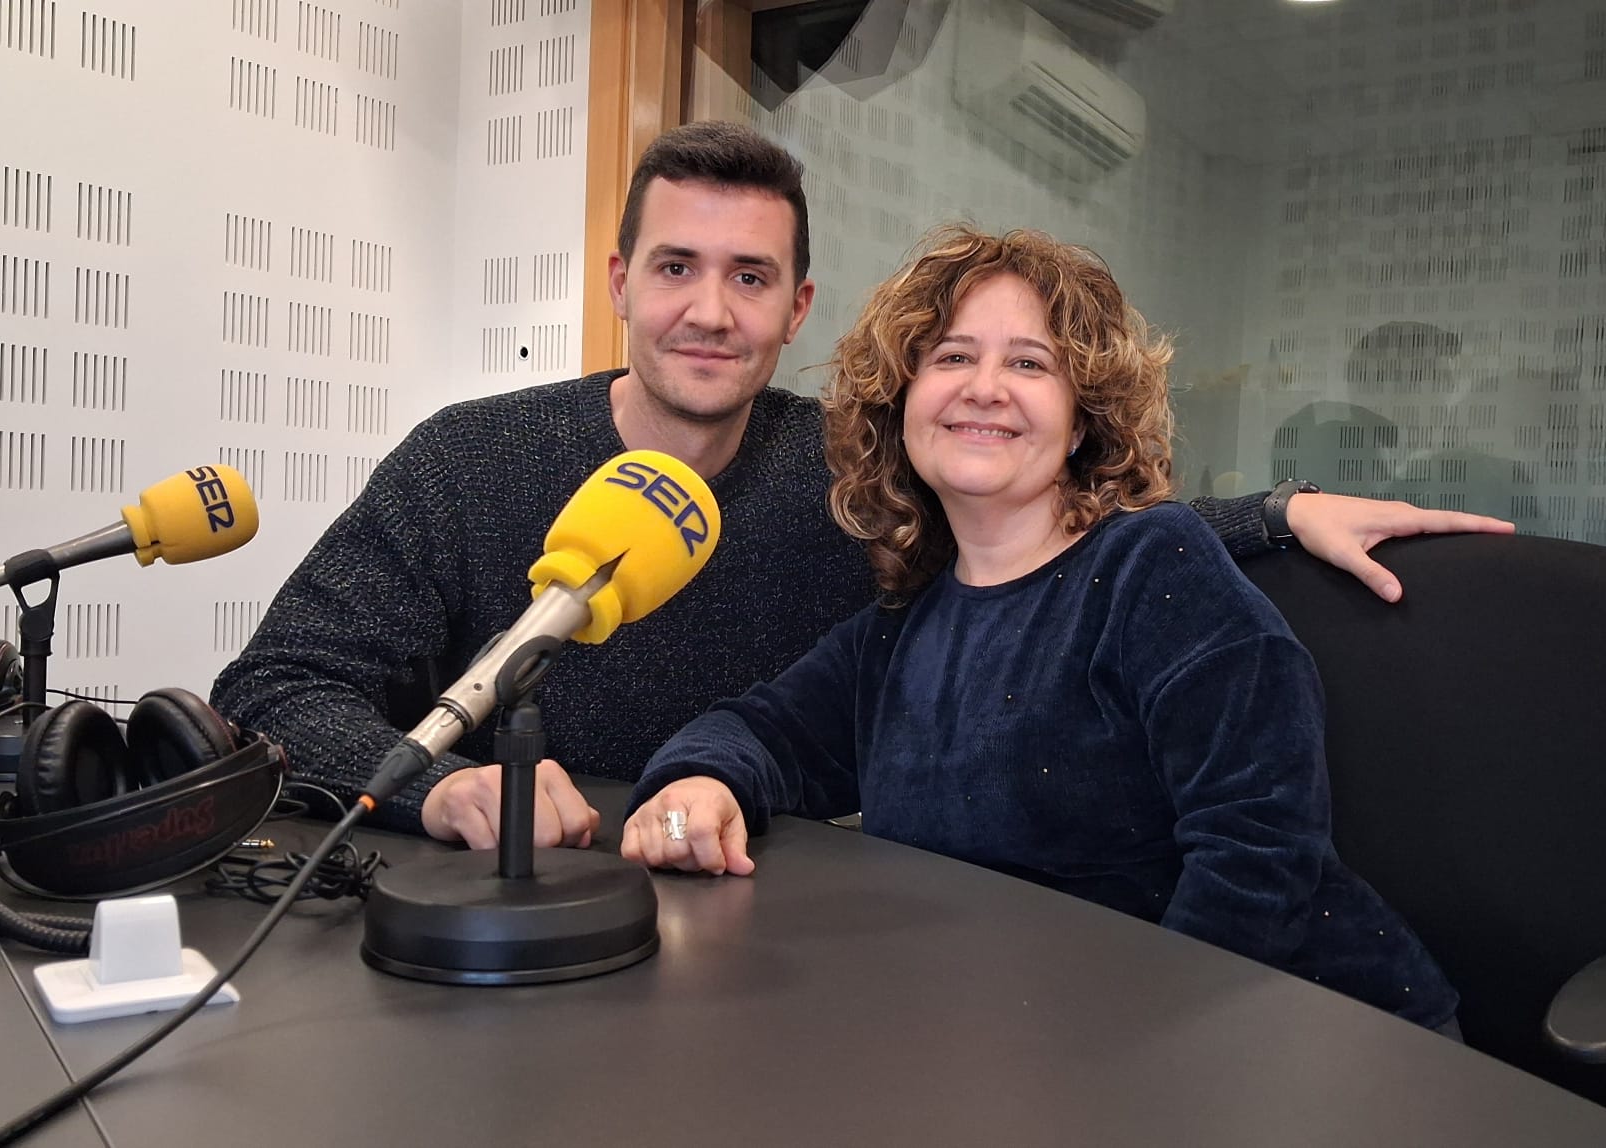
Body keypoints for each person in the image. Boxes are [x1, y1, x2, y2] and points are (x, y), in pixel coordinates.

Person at [209, 121, 1511, 850]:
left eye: (751, 278)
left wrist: (1272, 515)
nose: (709, 311)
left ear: (799, 307)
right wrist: (433, 782)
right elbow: (273, 691)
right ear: (616, 284)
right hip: (514, 916)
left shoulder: (848, 467)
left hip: (772, 933)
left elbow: (1038, 518)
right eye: (674, 268)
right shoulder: (468, 462)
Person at [620, 226, 1460, 1032]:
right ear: (902, 401)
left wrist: (1105, 1066)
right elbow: (762, 731)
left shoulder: (1153, 566)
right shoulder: (909, 623)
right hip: (1018, 1039)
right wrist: (701, 784)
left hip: (1287, 1039)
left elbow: (1260, 858)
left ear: (1083, 415)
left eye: (1030, 363)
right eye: (952, 357)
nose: (984, 387)